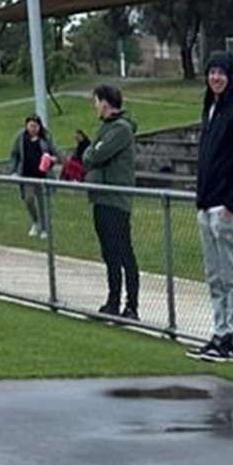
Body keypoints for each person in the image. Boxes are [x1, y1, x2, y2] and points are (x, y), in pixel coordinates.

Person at [192, 49, 233, 362]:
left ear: (230, 76)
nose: (215, 78)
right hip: (208, 204)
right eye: (211, 72)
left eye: (221, 72)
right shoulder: (211, 109)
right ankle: (219, 331)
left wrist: (232, 201)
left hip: (230, 207)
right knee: (215, 275)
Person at [83, 84, 139, 322]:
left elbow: (94, 155)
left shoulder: (120, 129)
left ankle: (131, 305)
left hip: (115, 201)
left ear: (105, 103)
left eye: (96, 102)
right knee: (109, 254)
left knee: (123, 252)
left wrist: (92, 152)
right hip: (101, 199)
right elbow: (89, 155)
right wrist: (91, 153)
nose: (95, 107)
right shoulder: (105, 128)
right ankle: (112, 301)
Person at [10, 114, 55, 238]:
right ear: (26, 126)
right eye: (31, 126)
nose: (33, 128)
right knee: (29, 200)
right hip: (26, 176)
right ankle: (36, 222)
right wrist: (13, 171)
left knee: (42, 203)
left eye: (35, 126)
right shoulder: (20, 138)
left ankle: (44, 228)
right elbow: (14, 155)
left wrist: (50, 159)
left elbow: (54, 153)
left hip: (42, 177)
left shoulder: (46, 138)